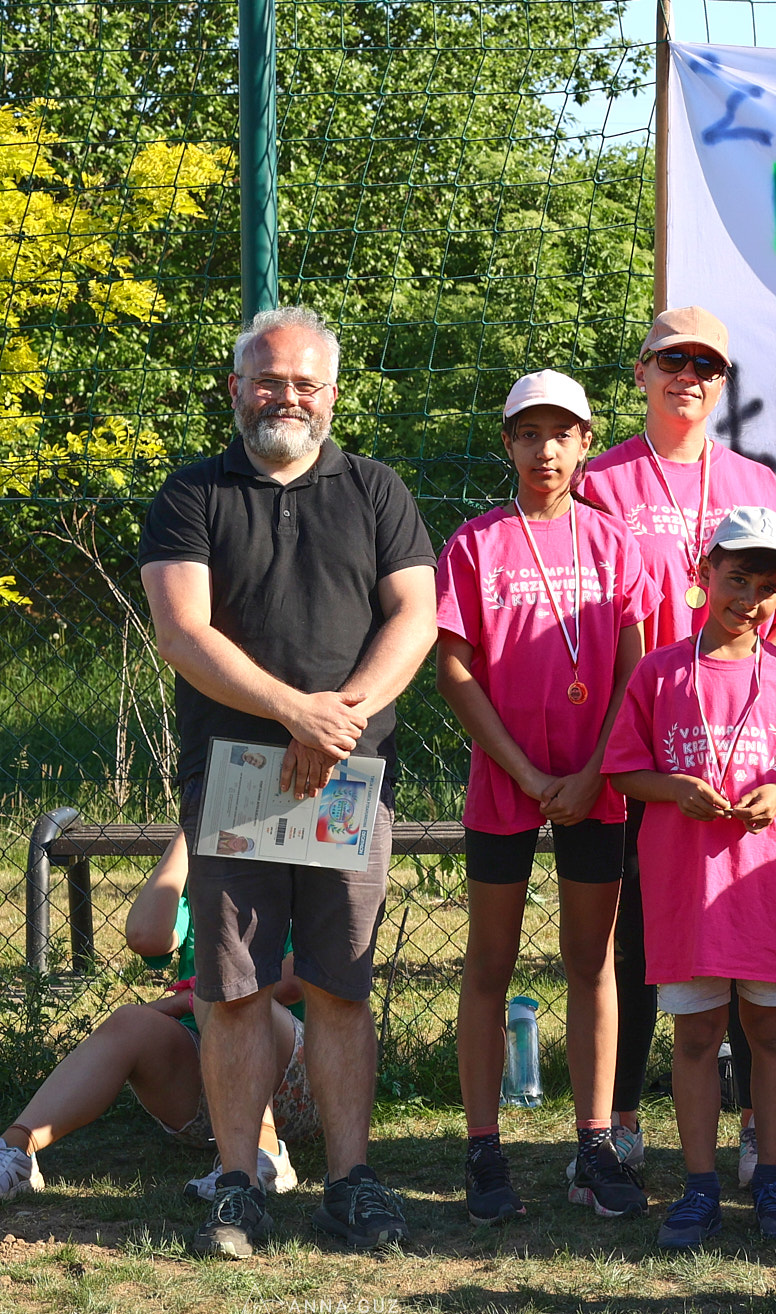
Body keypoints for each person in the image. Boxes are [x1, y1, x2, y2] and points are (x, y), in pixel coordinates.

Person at [138, 305, 438, 1256]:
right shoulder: (191, 493)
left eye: (306, 383)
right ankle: (238, 1188)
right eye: (269, 381)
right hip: (236, 774)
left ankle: (351, 1184)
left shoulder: (378, 490)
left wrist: (337, 718)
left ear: (332, 394)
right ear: (237, 388)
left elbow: (416, 617)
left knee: (341, 983)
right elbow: (183, 631)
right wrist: (292, 713)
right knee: (234, 988)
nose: (287, 397)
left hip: (349, 776)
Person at [578, 306, 776, 1179]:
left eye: (707, 364)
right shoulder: (602, 480)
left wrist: (766, 714)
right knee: (634, 941)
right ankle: (618, 1121)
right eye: (671, 359)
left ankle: (756, 1133)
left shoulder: (755, 481)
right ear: (642, 370)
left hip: (740, 752)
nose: (688, 375)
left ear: (723, 384)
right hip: (636, 744)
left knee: (739, 945)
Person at [436, 370, 657, 1225]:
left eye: (561, 433)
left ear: (585, 441)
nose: (545, 450)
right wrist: (525, 773)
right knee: (489, 963)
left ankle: (594, 1144)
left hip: (595, 783)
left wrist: (597, 768)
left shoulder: (614, 543)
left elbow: (635, 668)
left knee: (591, 960)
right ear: (508, 443)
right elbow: (454, 669)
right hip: (507, 778)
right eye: (529, 434)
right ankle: (483, 1149)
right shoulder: (475, 545)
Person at [605, 507, 776, 1248]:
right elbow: (624, 768)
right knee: (695, 1033)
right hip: (685, 887)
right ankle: (699, 1184)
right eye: (738, 578)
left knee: (770, 1030)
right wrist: (673, 789)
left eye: (768, 587)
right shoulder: (659, 673)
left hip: (762, 886)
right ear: (704, 572)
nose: (750, 598)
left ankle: (771, 1174)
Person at [0, 832, 315, 1201]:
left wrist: (191, 998)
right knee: (130, 1022)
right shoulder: (210, 881)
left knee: (222, 989)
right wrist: (191, 830)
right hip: (205, 1095)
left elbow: (292, 984)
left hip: (294, 1083)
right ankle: (16, 1150)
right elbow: (145, 936)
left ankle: (262, 1152)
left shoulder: (296, 868)